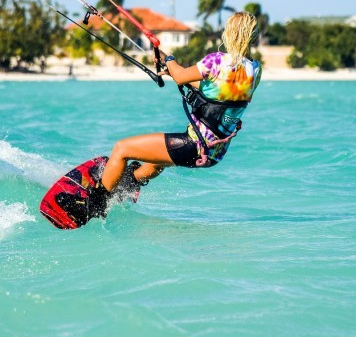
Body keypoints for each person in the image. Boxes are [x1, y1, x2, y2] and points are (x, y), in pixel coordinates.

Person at [89, 11, 263, 214]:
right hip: (215, 154)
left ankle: (96, 204)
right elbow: (218, 90)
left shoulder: (217, 61)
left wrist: (170, 60)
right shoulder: (254, 69)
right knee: (155, 162)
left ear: (230, 33)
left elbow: (181, 77)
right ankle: (126, 185)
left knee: (121, 148)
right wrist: (174, 70)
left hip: (194, 145)